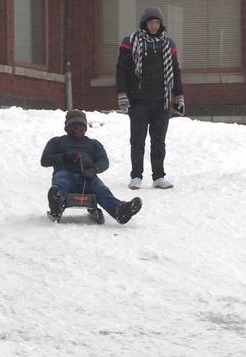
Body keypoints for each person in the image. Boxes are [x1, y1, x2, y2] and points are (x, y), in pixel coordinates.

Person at [116, 6, 184, 190]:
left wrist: (178, 96)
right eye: (151, 22)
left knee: (159, 140)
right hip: (138, 100)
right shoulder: (130, 42)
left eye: (157, 22)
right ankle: (136, 176)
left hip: (161, 100)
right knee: (137, 140)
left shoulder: (168, 44)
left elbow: (175, 72)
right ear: (144, 24)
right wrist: (122, 94)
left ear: (160, 25)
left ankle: (159, 176)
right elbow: (121, 70)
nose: (154, 26)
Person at [41, 109, 142, 224]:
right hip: (65, 174)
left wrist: (94, 169)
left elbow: (104, 161)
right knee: (61, 183)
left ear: (85, 127)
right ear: (67, 127)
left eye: (81, 125)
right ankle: (56, 203)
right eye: (73, 125)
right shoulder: (57, 142)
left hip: (87, 177)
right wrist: (64, 157)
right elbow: (44, 160)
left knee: (101, 189)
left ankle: (119, 210)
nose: (77, 128)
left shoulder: (93, 144)